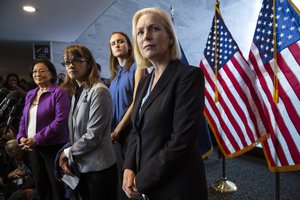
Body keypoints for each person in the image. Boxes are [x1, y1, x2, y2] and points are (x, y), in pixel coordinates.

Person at [122, 7, 208, 200]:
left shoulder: (188, 76)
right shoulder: (144, 82)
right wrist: (128, 167)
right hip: (148, 183)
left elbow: (181, 141)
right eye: (140, 32)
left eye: (154, 29)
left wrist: (141, 181)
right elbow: (136, 129)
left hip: (177, 186)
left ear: (170, 38)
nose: (146, 36)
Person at [59, 45, 118, 200]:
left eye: (77, 60)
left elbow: (94, 135)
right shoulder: (77, 92)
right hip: (82, 166)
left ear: (89, 63)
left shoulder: (99, 90)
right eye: (67, 62)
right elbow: (76, 133)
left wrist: (67, 153)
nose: (71, 65)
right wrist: (69, 156)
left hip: (99, 169)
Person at [16, 59, 70, 200]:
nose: (37, 74)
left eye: (42, 70)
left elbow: (60, 121)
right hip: (34, 149)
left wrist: (37, 138)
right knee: (41, 187)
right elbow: (24, 119)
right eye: (34, 71)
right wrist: (21, 137)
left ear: (51, 74)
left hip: (54, 148)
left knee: (57, 188)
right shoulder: (30, 94)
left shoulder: (59, 92)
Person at [109, 31, 144, 200]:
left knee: (132, 180)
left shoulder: (138, 67)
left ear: (129, 45)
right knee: (119, 179)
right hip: (115, 133)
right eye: (113, 43)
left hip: (130, 130)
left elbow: (136, 102)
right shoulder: (114, 77)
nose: (117, 45)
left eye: (121, 41)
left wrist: (118, 130)